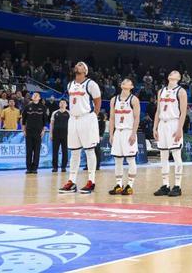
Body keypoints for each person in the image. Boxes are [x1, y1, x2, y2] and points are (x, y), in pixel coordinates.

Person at [59, 62, 102, 194]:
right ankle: (72, 181)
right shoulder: (70, 84)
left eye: (81, 65)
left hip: (86, 118)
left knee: (89, 150)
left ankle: (91, 181)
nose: (78, 66)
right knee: (74, 152)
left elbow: (97, 102)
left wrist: (93, 116)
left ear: (85, 71)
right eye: (77, 65)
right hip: (73, 119)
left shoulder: (91, 84)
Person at [153, 70, 188, 197]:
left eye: (175, 73)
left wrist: (179, 128)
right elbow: (158, 110)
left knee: (176, 155)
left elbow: (183, 112)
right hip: (162, 123)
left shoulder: (181, 91)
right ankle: (165, 185)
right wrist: (155, 127)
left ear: (179, 78)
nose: (172, 73)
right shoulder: (161, 91)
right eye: (171, 72)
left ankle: (177, 186)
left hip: (174, 123)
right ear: (168, 77)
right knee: (163, 155)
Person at [108, 79, 140, 196]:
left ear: (131, 86)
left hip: (128, 131)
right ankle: (119, 185)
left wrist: (133, 133)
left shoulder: (134, 100)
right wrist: (111, 134)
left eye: (128, 82)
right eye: (123, 82)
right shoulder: (114, 100)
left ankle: (130, 185)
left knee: (131, 159)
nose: (125, 82)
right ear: (121, 85)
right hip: (118, 132)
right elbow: (111, 118)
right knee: (118, 160)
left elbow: (136, 118)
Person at [22, 93, 47, 174]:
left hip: (38, 132)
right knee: (29, 151)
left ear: (39, 98)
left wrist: (43, 131)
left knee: (37, 151)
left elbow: (45, 120)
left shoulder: (43, 107)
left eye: (37, 95)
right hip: (29, 131)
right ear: (32, 97)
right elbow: (23, 120)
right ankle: (28, 168)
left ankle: (35, 168)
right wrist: (24, 130)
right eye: (34, 95)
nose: (35, 96)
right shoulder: (27, 107)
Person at [50, 100, 70, 172]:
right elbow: (52, 124)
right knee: (55, 151)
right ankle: (55, 167)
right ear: (59, 105)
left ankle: (63, 167)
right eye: (61, 103)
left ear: (66, 105)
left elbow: (72, 124)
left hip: (66, 134)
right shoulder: (55, 113)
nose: (62, 104)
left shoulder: (69, 113)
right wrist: (51, 134)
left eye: (64, 103)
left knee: (65, 151)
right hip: (56, 134)